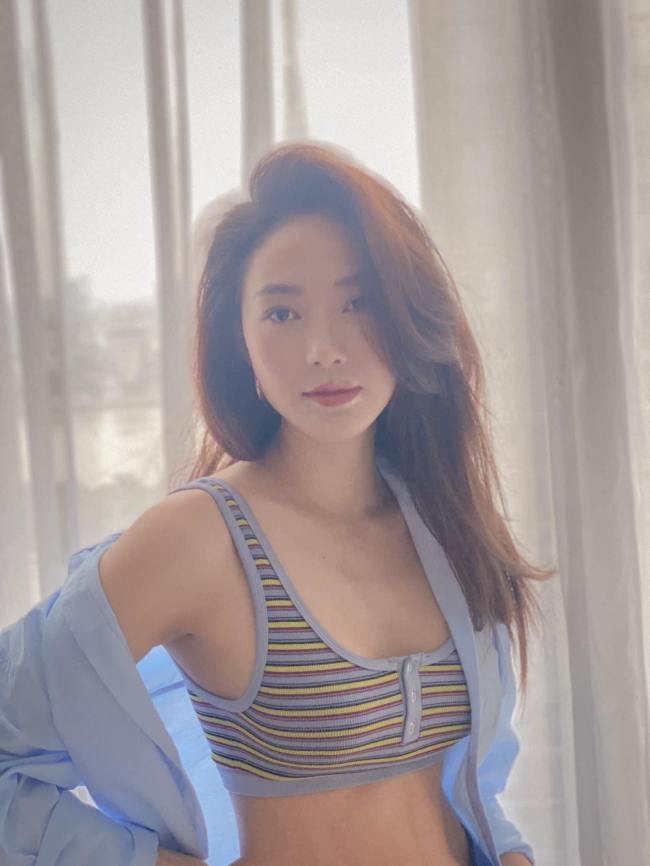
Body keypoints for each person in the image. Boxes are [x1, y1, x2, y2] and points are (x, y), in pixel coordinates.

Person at [0, 141, 554, 866]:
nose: (324, 348)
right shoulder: (199, 539)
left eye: (359, 302)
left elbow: (471, 787)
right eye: (283, 313)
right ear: (242, 345)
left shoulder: (442, 520)